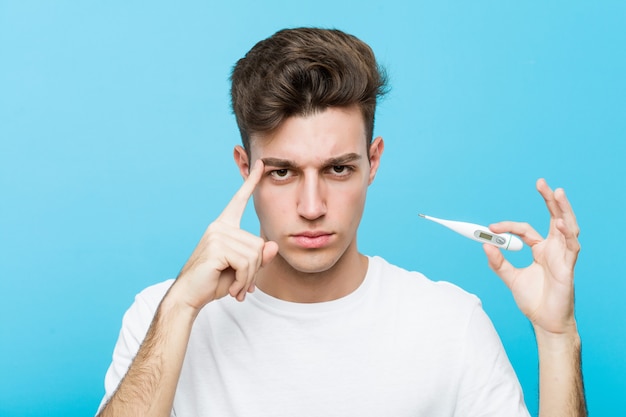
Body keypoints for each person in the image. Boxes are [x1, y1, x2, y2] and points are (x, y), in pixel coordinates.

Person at [96, 28, 586, 417]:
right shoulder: (160, 318)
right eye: (282, 172)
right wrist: (180, 307)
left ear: (373, 162)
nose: (312, 206)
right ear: (245, 169)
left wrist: (558, 336)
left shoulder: (450, 325)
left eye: (338, 169)